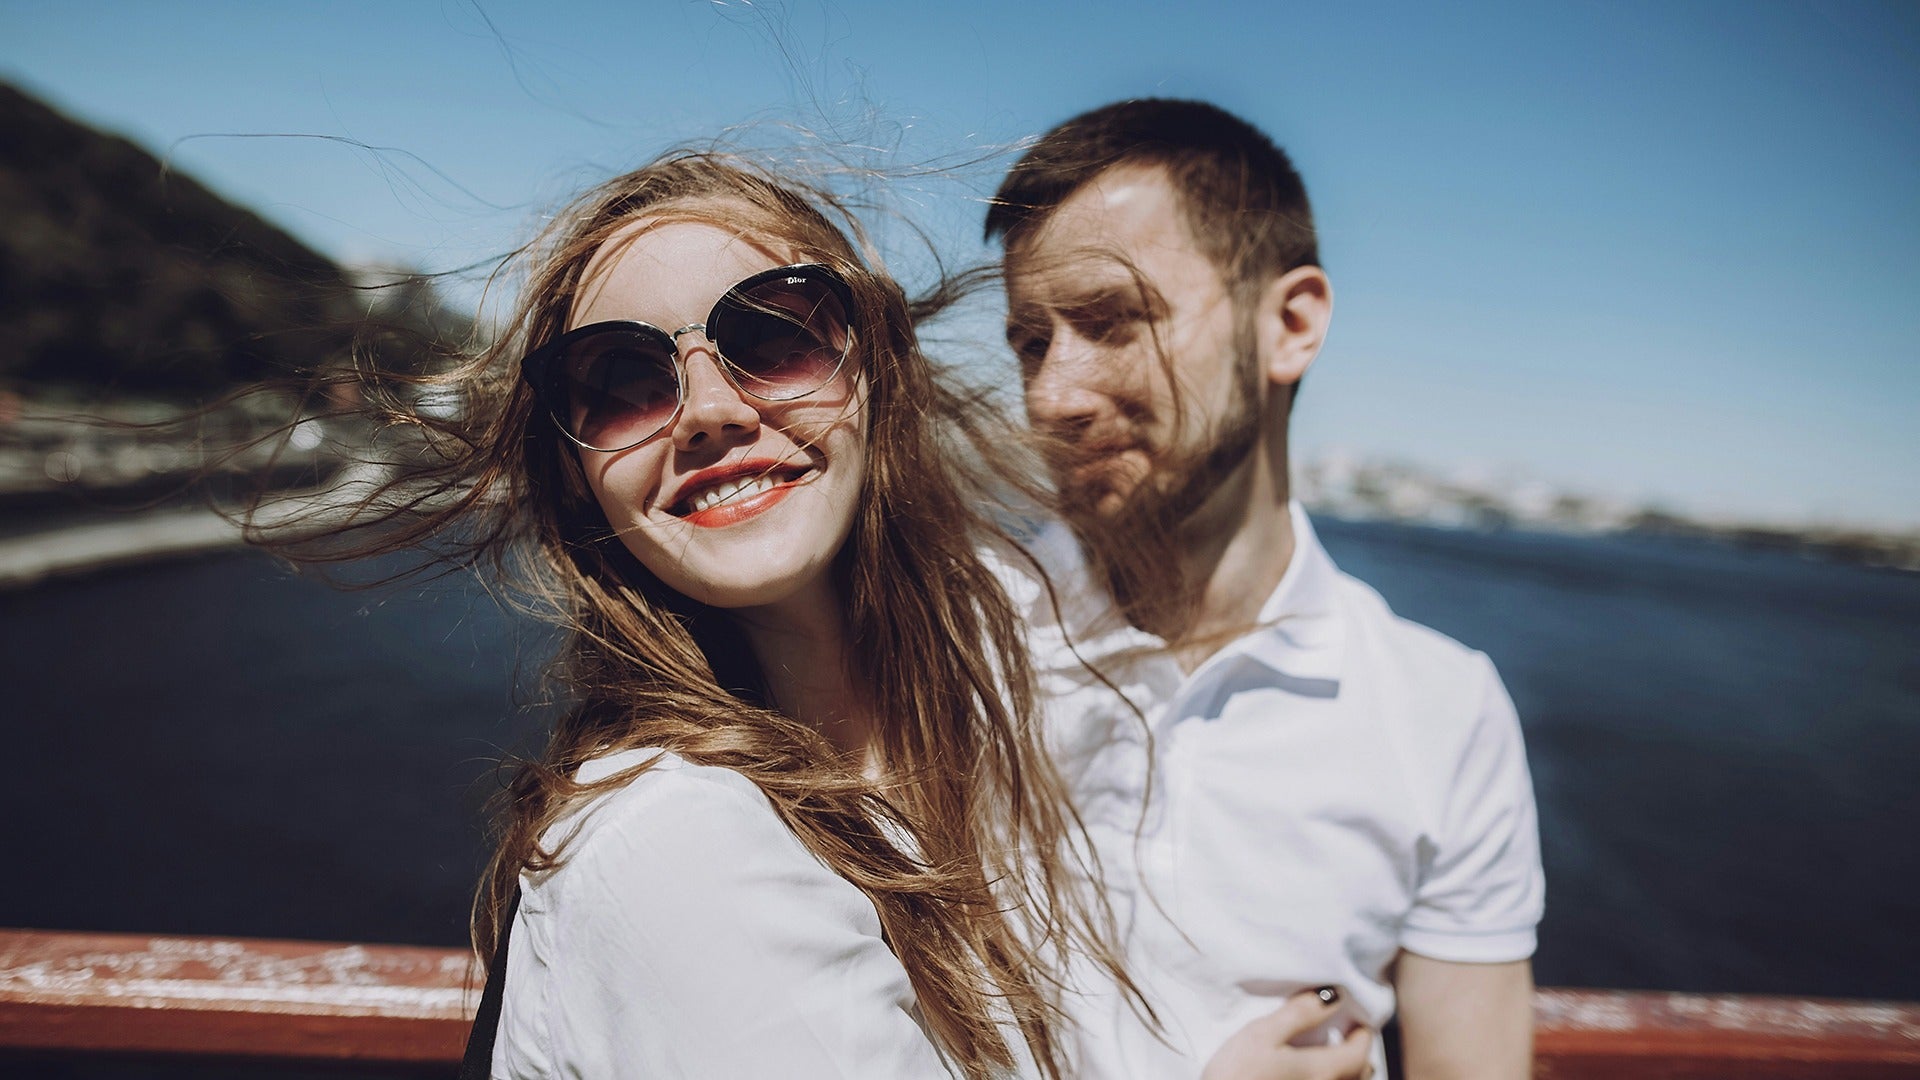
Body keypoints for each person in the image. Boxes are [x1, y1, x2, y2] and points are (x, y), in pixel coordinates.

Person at [304, 150, 1368, 1079]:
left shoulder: (955, 732)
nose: (712, 410)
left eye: (774, 337)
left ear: (876, 373)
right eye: (621, 380)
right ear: (579, 473)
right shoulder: (685, 848)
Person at [986, 99, 1546, 1080]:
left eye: (1114, 322)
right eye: (1032, 342)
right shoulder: (954, 646)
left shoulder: (1442, 715)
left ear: (1290, 324)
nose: (1049, 396)